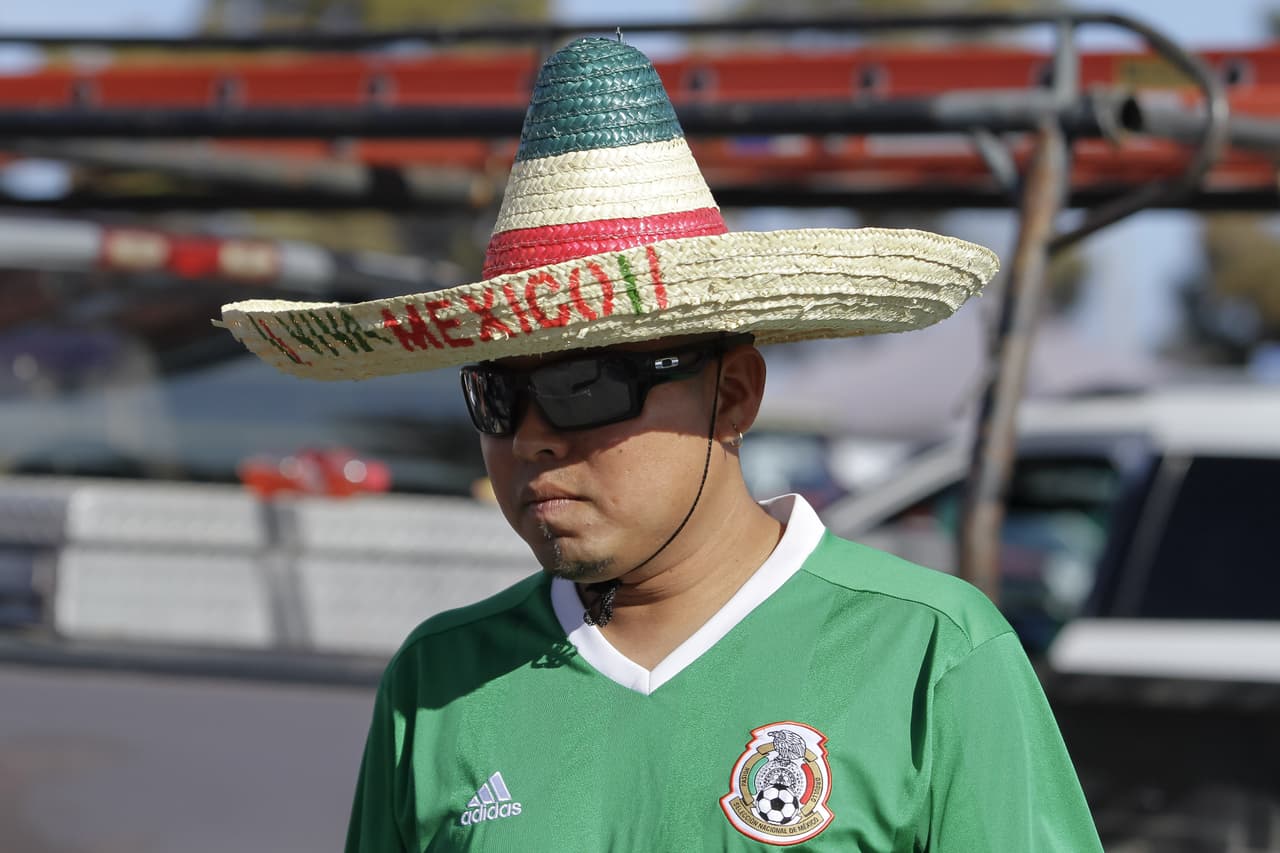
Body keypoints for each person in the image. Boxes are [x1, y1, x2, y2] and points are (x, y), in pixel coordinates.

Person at [221, 36, 1102, 853]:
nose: (531, 437)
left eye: (585, 386)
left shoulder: (930, 653)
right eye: (496, 395)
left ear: (735, 393)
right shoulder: (438, 678)